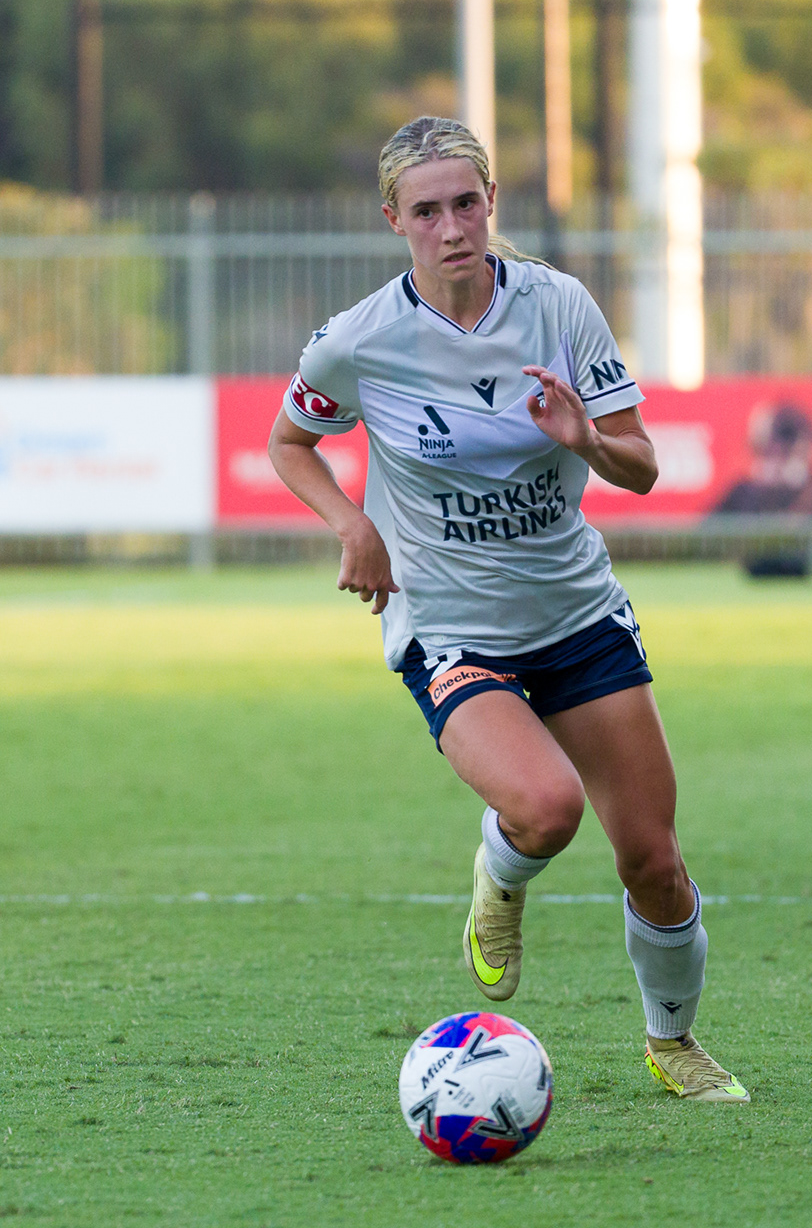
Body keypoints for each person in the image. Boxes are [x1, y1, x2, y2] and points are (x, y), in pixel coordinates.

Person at [268, 117, 748, 1104]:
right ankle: (499, 880)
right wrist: (354, 526)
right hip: (450, 624)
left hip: (576, 613)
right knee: (545, 807)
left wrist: (587, 438)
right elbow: (289, 442)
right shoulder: (360, 340)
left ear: (492, 203)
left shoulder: (558, 305)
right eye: (428, 211)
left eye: (467, 203)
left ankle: (673, 1043)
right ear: (394, 219)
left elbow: (642, 465)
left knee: (655, 860)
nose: (452, 227)